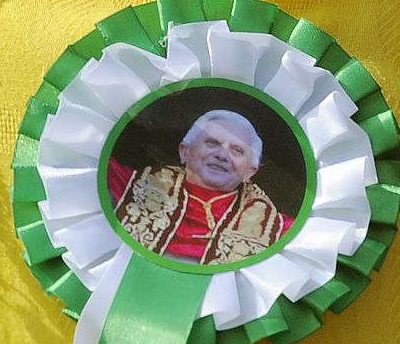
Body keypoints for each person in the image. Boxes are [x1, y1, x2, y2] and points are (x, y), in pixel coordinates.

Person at [108, 110, 294, 266]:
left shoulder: (278, 231)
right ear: (184, 151)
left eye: (236, 150)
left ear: (250, 171)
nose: (222, 155)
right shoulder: (127, 186)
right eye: (212, 143)